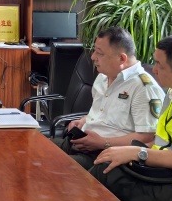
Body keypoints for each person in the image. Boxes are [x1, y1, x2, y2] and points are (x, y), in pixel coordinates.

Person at [90, 35, 172, 201]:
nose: (154, 70)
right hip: (161, 172)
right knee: (106, 166)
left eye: (159, 65)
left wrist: (138, 153)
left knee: (104, 175)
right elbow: (163, 142)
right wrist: (127, 152)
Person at [55, 26, 165, 169]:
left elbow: (148, 137)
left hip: (107, 156)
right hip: (82, 143)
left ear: (121, 58)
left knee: (52, 166)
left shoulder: (144, 88)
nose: (93, 57)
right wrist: (84, 120)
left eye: (99, 53)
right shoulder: (103, 77)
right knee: (36, 148)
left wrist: (102, 142)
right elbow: (103, 113)